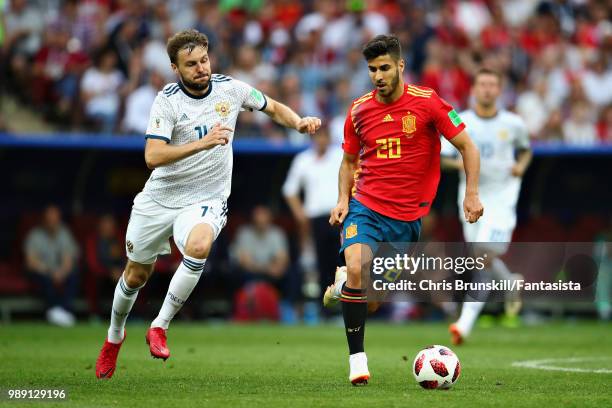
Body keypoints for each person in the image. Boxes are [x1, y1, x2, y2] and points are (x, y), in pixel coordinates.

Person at [95, 29, 321, 379]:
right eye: (191, 64)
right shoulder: (166, 101)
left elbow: (272, 106)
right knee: (136, 274)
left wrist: (298, 122)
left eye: (203, 60)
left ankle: (160, 325)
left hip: (206, 198)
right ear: (175, 67)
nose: (201, 68)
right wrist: (203, 144)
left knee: (199, 246)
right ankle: (114, 338)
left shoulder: (231, 89)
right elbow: (153, 156)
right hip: (161, 196)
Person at [325, 35, 482, 385]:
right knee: (357, 265)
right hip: (365, 205)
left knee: (373, 300)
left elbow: (468, 148)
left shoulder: (428, 103)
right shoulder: (359, 110)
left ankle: (342, 288)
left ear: (400, 66)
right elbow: (348, 161)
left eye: (384, 68)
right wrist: (341, 199)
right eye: (371, 69)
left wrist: (470, 194)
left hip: (407, 219)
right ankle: (357, 362)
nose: (378, 75)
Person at [441, 68, 532, 345]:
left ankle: (464, 324)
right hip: (470, 195)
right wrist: (463, 163)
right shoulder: (460, 120)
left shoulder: (513, 123)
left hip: (502, 197)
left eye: (493, 84)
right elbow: (443, 157)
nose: (488, 89)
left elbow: (526, 149)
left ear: (499, 90)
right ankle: (509, 283)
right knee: (480, 256)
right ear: (474, 89)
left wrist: (520, 166)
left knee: (483, 258)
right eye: (483, 84)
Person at [282, 127, 343, 319]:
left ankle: (347, 307)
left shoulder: (339, 155)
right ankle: (325, 309)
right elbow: (290, 190)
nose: (321, 140)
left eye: (324, 136)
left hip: (340, 217)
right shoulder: (303, 160)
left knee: (344, 263)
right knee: (322, 264)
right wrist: (300, 214)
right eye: (318, 137)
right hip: (316, 220)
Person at [24, 205, 79, 327]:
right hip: (42, 271)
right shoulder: (35, 235)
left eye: (55, 219)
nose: (52, 223)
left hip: (60, 272)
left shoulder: (64, 233)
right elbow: (31, 262)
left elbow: (68, 259)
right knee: (44, 279)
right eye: (49, 220)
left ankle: (64, 310)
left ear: (59, 219)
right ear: (44, 220)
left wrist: (61, 273)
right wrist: (49, 271)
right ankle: (53, 310)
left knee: (74, 274)